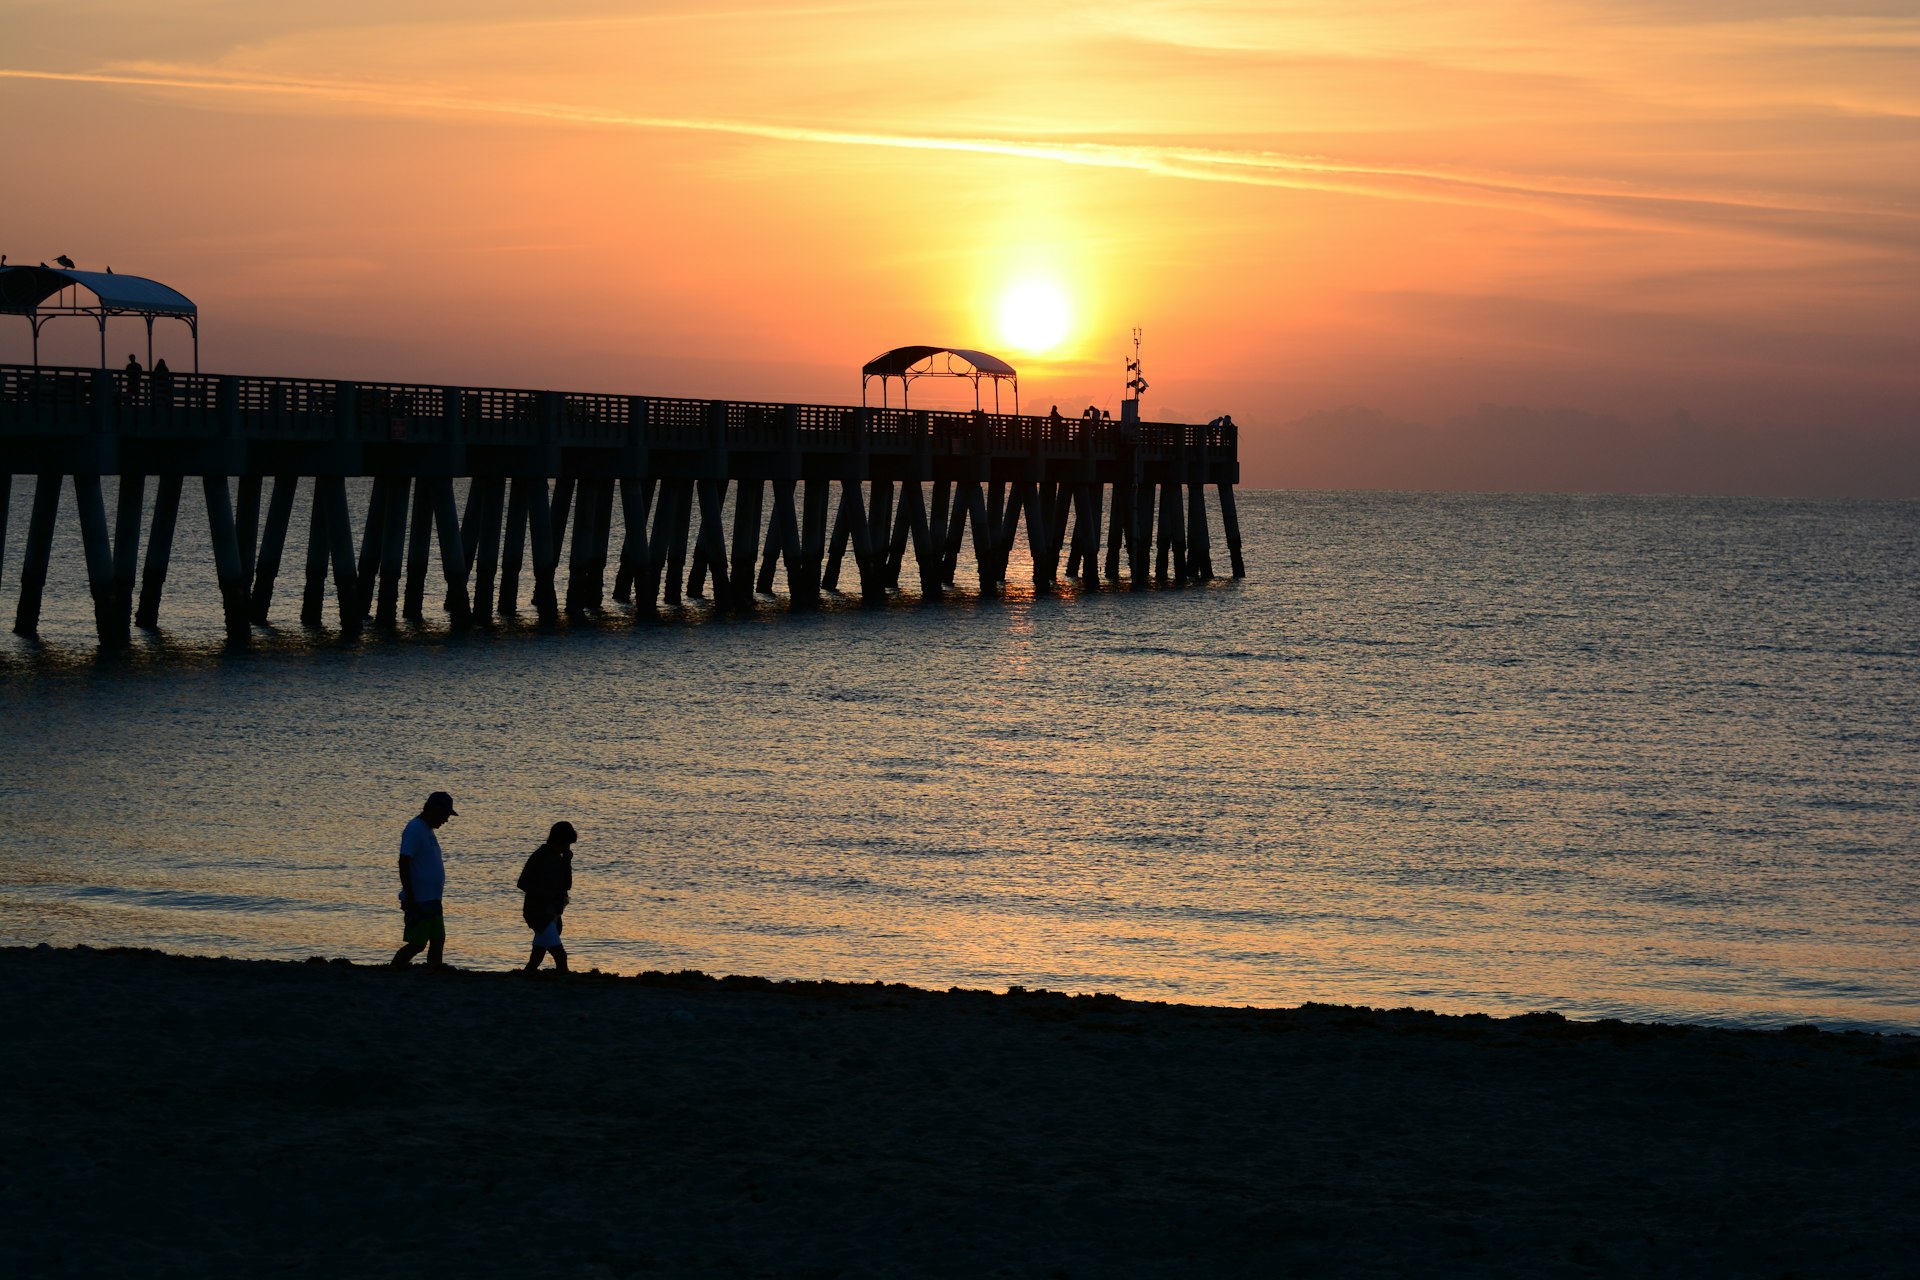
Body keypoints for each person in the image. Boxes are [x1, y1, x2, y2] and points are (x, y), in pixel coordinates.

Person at [391, 791, 456, 968]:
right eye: (445, 814)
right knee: (417, 944)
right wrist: (410, 896)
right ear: (434, 810)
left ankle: (434, 973)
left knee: (438, 939)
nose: (446, 820)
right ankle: (393, 970)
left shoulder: (426, 830)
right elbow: (404, 862)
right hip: (419, 899)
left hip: (433, 899)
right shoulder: (414, 828)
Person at [517, 821, 578, 973]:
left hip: (552, 913)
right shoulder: (540, 856)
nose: (567, 848)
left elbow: (567, 885)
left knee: (537, 956)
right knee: (560, 956)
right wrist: (546, 895)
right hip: (538, 913)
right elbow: (522, 883)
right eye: (566, 844)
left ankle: (526, 976)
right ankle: (563, 985)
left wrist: (567, 862)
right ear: (558, 840)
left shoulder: (560, 859)